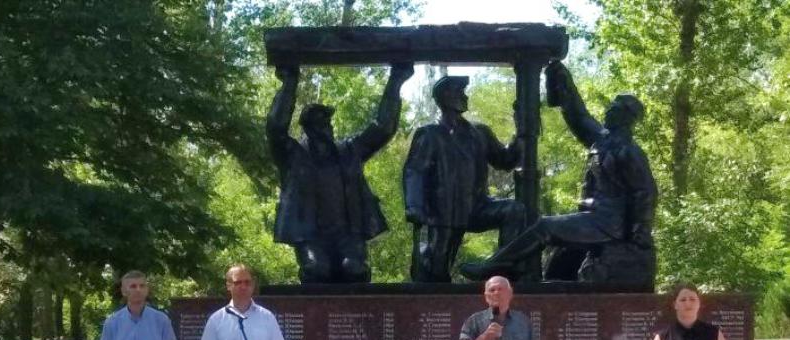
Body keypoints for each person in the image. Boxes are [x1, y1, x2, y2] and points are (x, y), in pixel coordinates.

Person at [459, 60, 657, 284]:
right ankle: (511, 270)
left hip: (608, 223)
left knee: (545, 226)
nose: (609, 109)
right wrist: (564, 83)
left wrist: (638, 234)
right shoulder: (603, 140)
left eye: (616, 107)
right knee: (557, 260)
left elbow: (645, 193)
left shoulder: (628, 151)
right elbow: (579, 117)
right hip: (594, 218)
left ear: (628, 117)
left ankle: (495, 266)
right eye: (611, 105)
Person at [267, 63, 414, 283]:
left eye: (327, 122)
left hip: (348, 235)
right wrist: (290, 82)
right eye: (320, 123)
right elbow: (275, 128)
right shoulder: (292, 155)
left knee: (355, 270)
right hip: (311, 237)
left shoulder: (349, 151)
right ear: (308, 128)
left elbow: (382, 128)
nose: (327, 127)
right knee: (317, 270)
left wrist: (396, 80)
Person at [403, 75, 526, 283]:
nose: (465, 95)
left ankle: (501, 266)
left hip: (476, 208)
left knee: (514, 210)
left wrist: (521, 131)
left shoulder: (479, 133)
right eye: (459, 92)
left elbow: (505, 160)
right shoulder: (429, 134)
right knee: (432, 275)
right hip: (442, 214)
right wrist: (415, 207)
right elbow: (414, 172)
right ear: (445, 97)